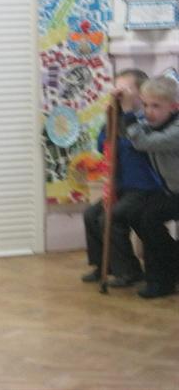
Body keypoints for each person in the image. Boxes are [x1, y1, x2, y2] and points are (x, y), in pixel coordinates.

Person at [81, 69, 161, 287]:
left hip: (144, 187)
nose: (120, 93)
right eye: (117, 88)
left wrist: (126, 113)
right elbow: (103, 146)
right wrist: (112, 116)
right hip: (121, 187)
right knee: (91, 214)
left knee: (110, 218)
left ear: (141, 94)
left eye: (125, 89)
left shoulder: (146, 119)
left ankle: (129, 271)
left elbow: (137, 144)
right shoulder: (116, 119)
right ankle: (104, 265)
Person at [114, 75, 179, 298]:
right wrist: (119, 107)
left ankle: (163, 280)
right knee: (136, 213)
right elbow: (129, 132)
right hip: (171, 191)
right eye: (146, 105)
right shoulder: (154, 124)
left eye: (156, 106)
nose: (149, 111)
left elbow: (142, 142)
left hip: (175, 193)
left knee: (149, 218)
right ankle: (165, 270)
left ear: (174, 107)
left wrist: (128, 111)